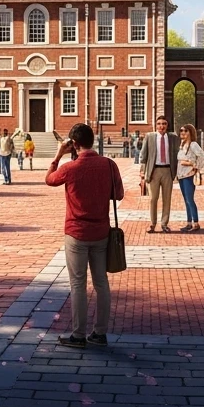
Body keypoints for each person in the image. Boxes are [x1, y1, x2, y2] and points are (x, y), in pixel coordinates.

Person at [45, 123, 124, 349]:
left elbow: (49, 179)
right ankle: (100, 333)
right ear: (93, 140)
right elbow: (118, 194)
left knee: (78, 284)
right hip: (101, 232)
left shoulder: (71, 168)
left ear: (74, 144)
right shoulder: (109, 165)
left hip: (77, 232)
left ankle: (78, 335)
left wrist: (59, 154)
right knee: (101, 283)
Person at [139, 116, 179, 233]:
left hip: (167, 171)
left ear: (167, 125)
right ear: (156, 125)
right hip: (154, 171)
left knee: (167, 199)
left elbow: (177, 153)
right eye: (159, 124)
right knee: (153, 199)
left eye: (164, 124)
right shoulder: (150, 137)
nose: (161, 126)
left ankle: (164, 224)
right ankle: (152, 223)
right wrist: (143, 171)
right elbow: (143, 155)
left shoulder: (173, 138)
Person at [176, 123, 204, 232]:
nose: (183, 133)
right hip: (181, 176)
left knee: (190, 199)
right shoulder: (182, 145)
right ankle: (189, 222)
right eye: (181, 131)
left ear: (190, 132)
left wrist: (193, 165)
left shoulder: (193, 145)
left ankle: (196, 223)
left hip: (189, 175)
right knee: (186, 200)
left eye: (185, 131)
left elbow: (202, 156)